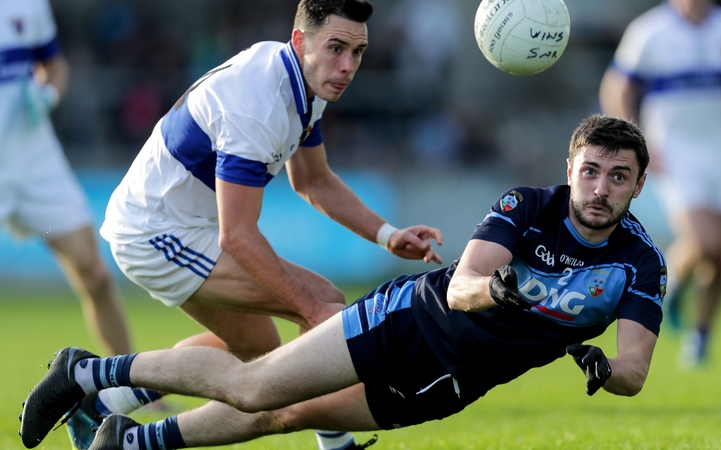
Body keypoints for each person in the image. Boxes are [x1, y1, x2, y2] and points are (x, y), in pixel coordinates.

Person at [20, 114, 667, 450]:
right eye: (591, 171)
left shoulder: (639, 264)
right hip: (408, 322)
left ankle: (135, 442)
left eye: (618, 177)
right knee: (254, 386)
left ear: (639, 185)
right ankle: (87, 375)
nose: (600, 188)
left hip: (449, 383)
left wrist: (603, 369)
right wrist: (498, 292)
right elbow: (464, 282)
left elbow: (635, 370)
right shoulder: (529, 204)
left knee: (284, 414)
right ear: (570, 169)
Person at [62, 1, 443, 449]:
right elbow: (238, 235)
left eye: (357, 52)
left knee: (259, 350)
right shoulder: (258, 104)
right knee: (322, 303)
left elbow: (313, 180)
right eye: (336, 48)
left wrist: (386, 234)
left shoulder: (303, 82)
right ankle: (336, 445)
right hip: (154, 231)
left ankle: (102, 403)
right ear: (300, 41)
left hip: (183, 225)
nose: (347, 66)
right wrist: (313, 311)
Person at [598, 0, 721, 367]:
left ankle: (700, 336)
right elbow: (617, 87)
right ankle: (670, 283)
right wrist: (635, 139)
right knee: (705, 241)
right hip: (675, 154)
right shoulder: (649, 31)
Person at [0, 0, 133, 356]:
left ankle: (128, 386)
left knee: (95, 274)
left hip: (35, 160)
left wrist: (47, 95)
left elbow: (53, 66)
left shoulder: (28, 5)